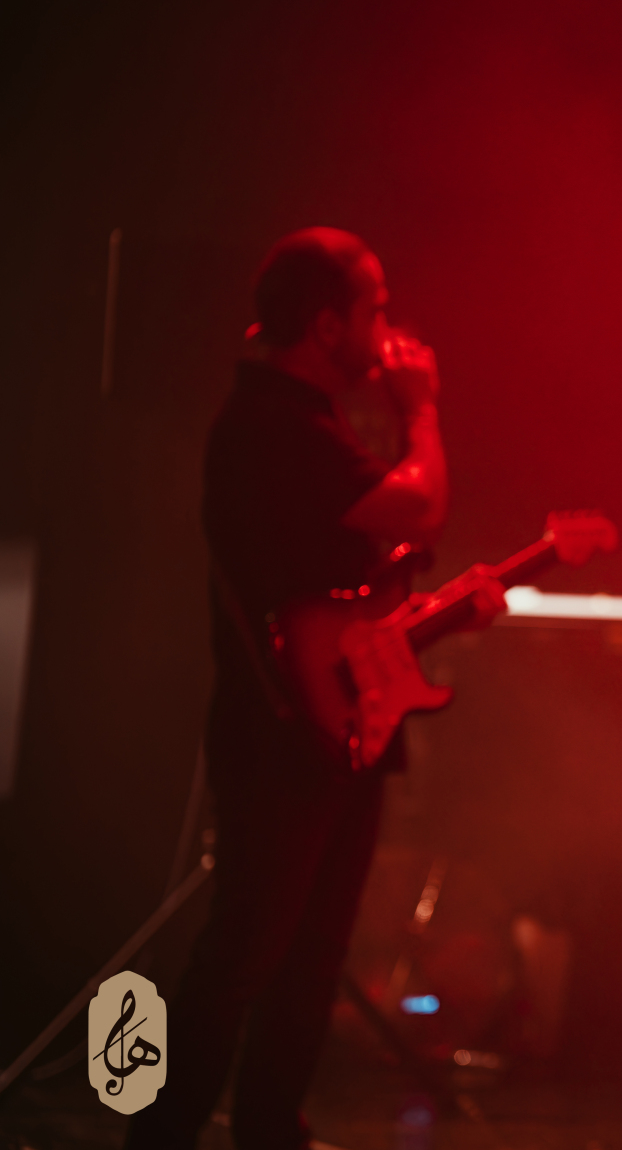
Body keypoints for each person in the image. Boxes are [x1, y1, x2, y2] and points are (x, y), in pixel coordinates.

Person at [126, 228, 497, 1150]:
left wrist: (440, 614)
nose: (391, 332)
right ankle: (162, 1135)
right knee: (246, 956)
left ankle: (267, 1130)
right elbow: (420, 505)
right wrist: (423, 409)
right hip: (281, 735)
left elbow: (345, 597)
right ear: (328, 325)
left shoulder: (305, 424)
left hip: (331, 729)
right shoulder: (274, 424)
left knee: (308, 960)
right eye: (376, 310)